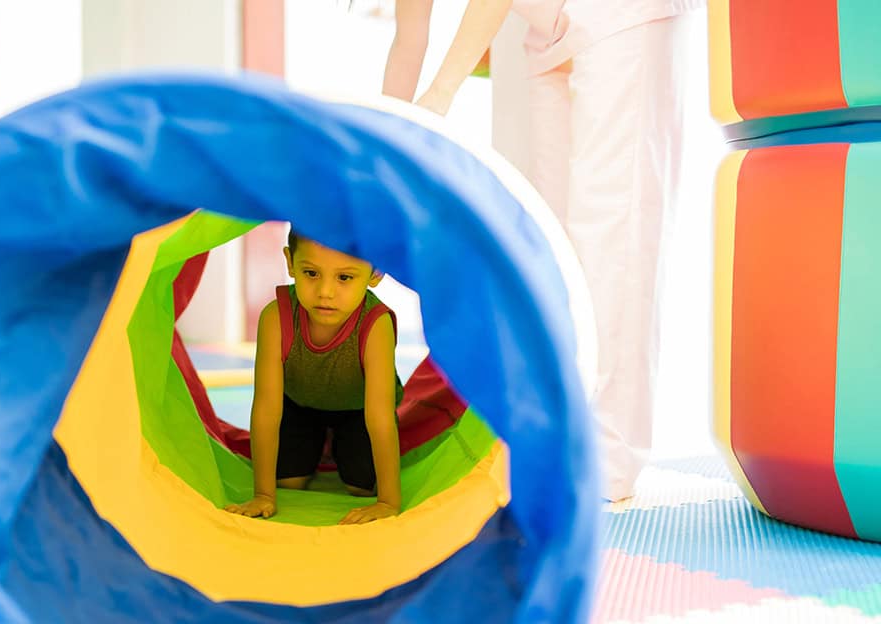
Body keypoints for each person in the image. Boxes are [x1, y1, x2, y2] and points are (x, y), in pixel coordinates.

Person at [383, 0, 701, 500]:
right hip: (550, 28)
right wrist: (383, 181)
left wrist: (441, 93)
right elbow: (409, 38)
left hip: (623, 15)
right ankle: (558, 442)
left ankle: (609, 461)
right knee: (553, 242)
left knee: (612, 230)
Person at [225, 230, 404, 525]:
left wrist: (388, 502)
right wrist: (263, 495)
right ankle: (319, 443)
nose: (325, 292)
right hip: (300, 404)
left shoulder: (376, 324)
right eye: (311, 273)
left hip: (356, 410)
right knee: (288, 483)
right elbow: (267, 407)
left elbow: (380, 415)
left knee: (361, 488)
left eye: (344, 278)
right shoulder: (276, 317)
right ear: (290, 262)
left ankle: (334, 444)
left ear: (375, 272)